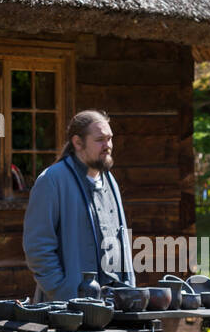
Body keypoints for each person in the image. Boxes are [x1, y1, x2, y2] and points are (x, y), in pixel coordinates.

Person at [23, 110, 135, 300]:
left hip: (113, 308)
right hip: (66, 313)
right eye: (100, 139)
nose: (107, 146)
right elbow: (37, 247)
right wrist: (62, 291)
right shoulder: (52, 181)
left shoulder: (110, 181)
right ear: (78, 142)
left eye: (110, 139)